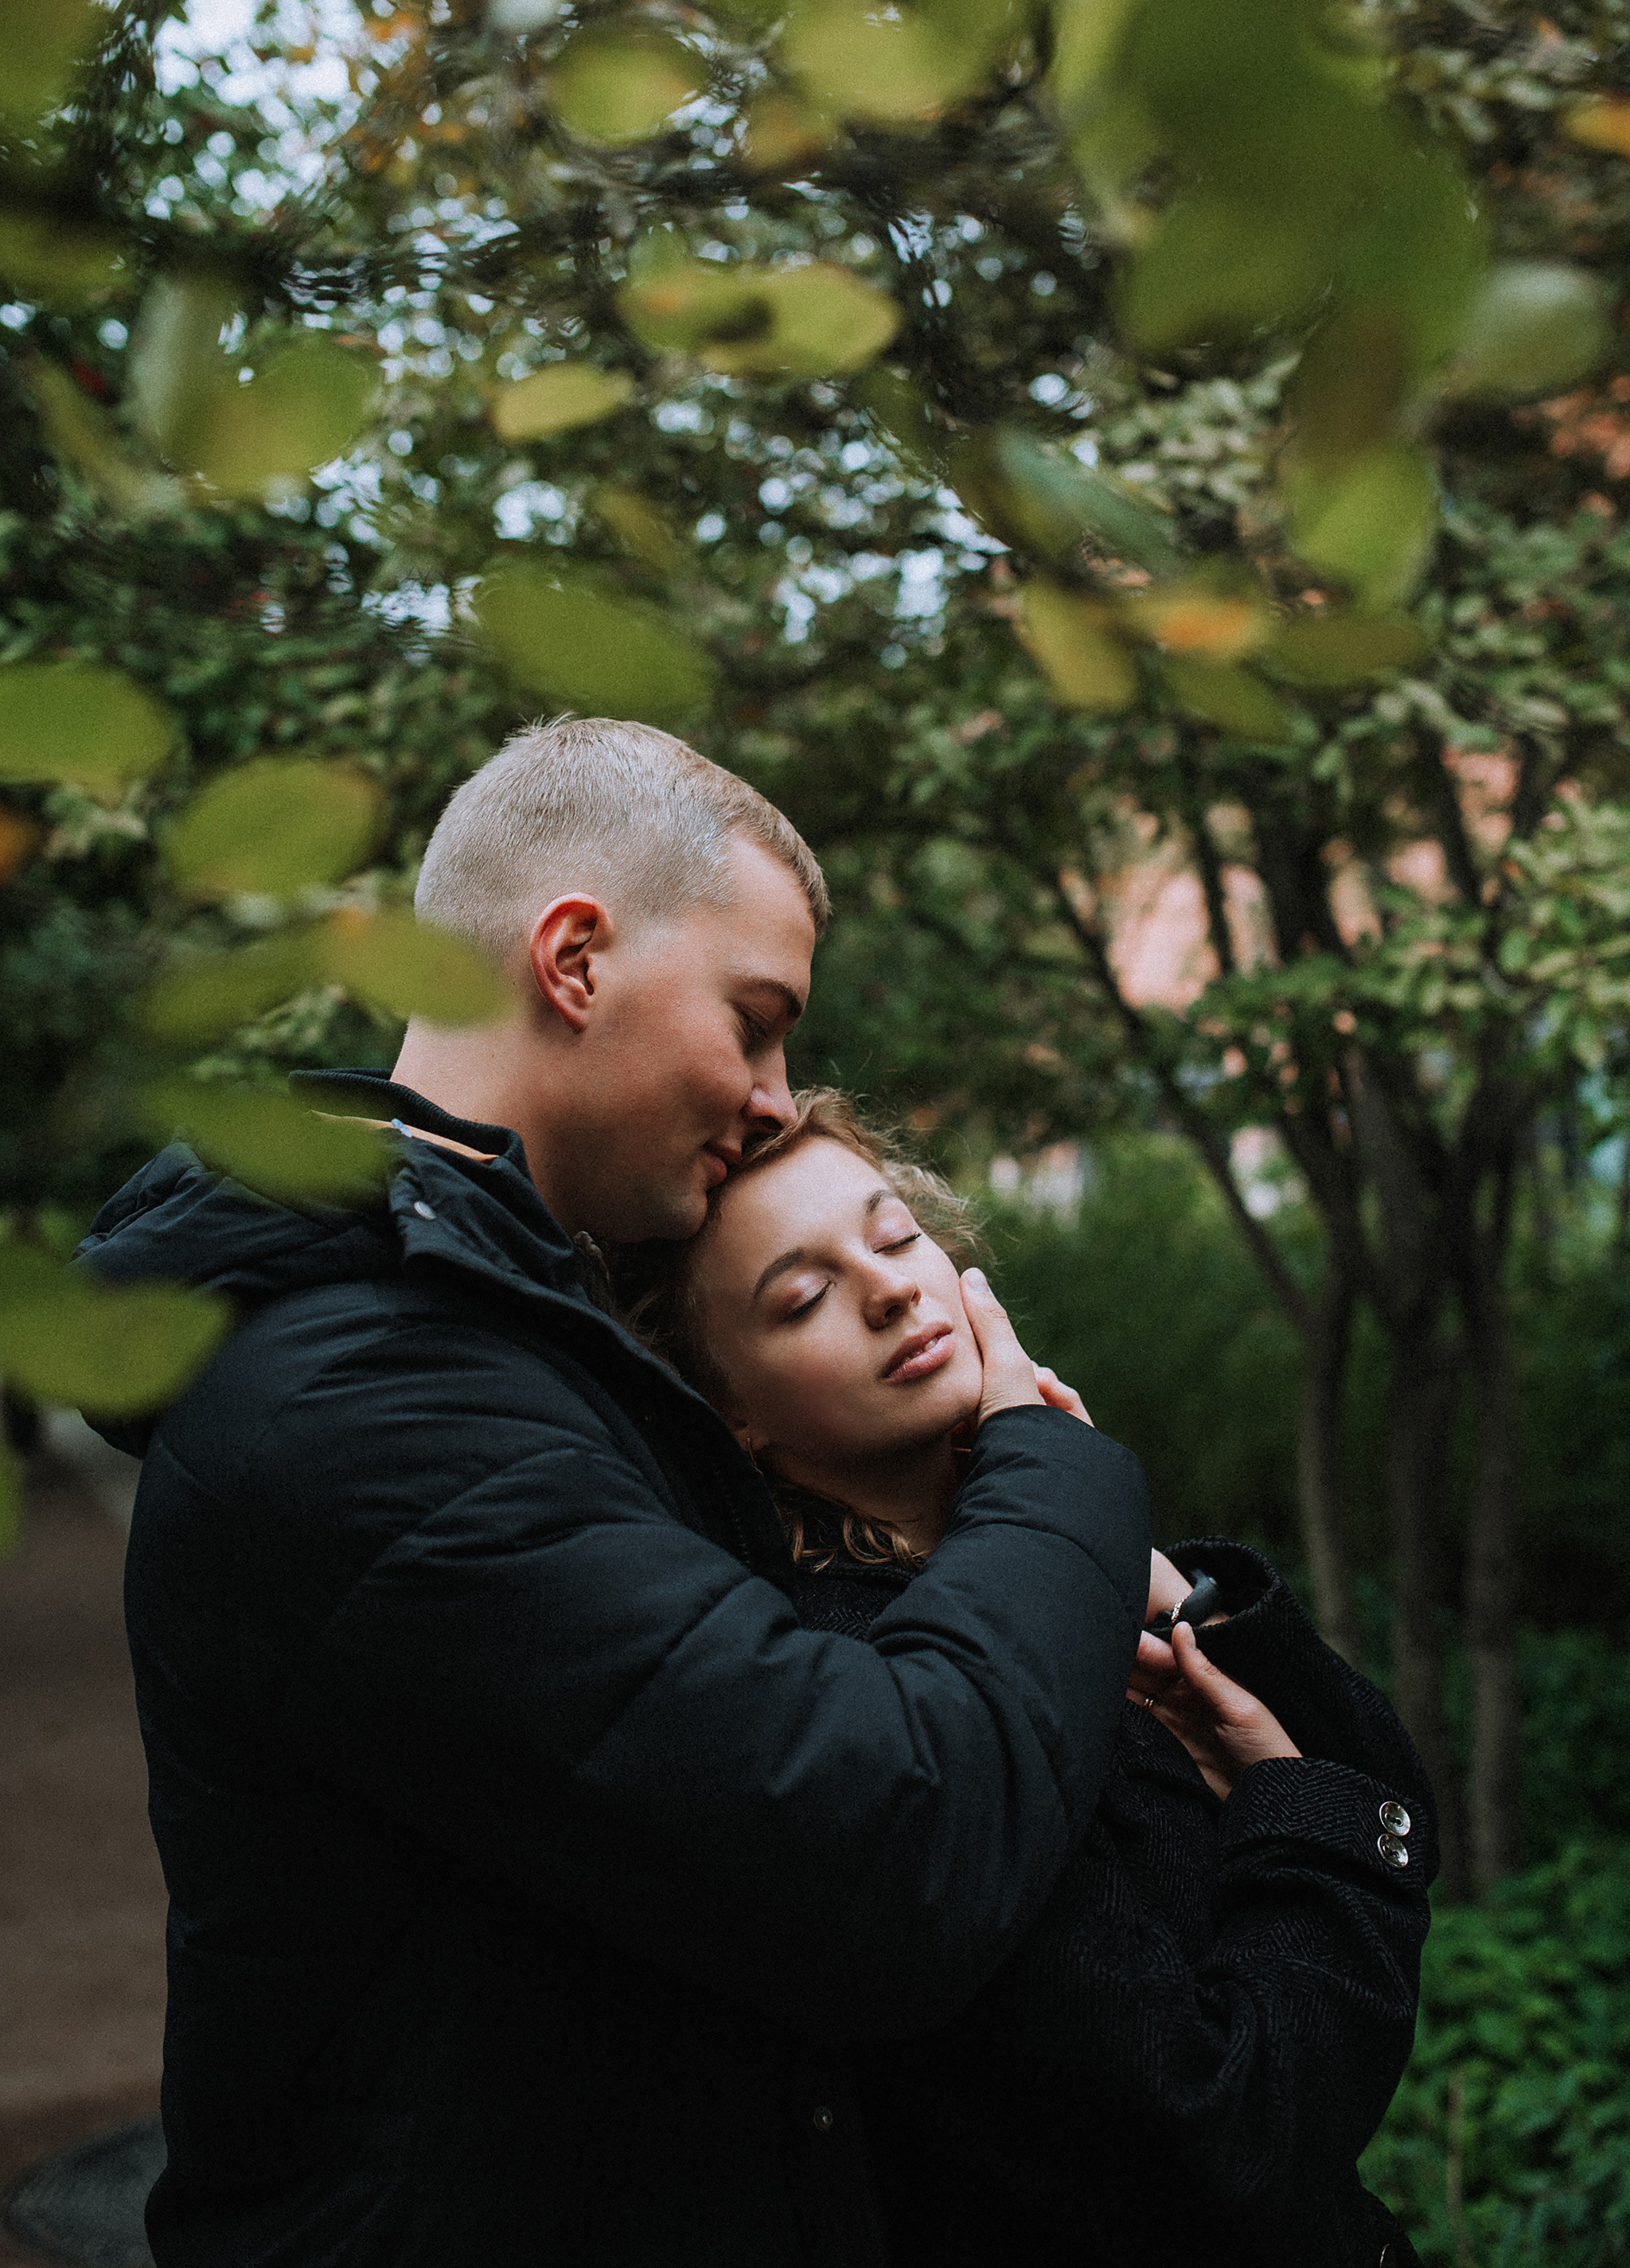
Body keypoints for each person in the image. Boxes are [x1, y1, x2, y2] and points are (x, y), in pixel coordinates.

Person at [76, 718, 1153, 2268]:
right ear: (573, 960)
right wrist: (1042, 1449)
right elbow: (882, 1848)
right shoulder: (363, 1402)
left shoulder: (492, 1338)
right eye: (756, 1019)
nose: (778, 1099)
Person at [619, 1087, 1437, 2268]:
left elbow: (1393, 1803)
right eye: (803, 1297)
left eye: (896, 1236)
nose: (893, 1287)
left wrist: (1148, 1580)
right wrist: (1291, 1807)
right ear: (727, 1411)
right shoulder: (862, 1687)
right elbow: (1224, 2144)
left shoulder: (1042, 1566)